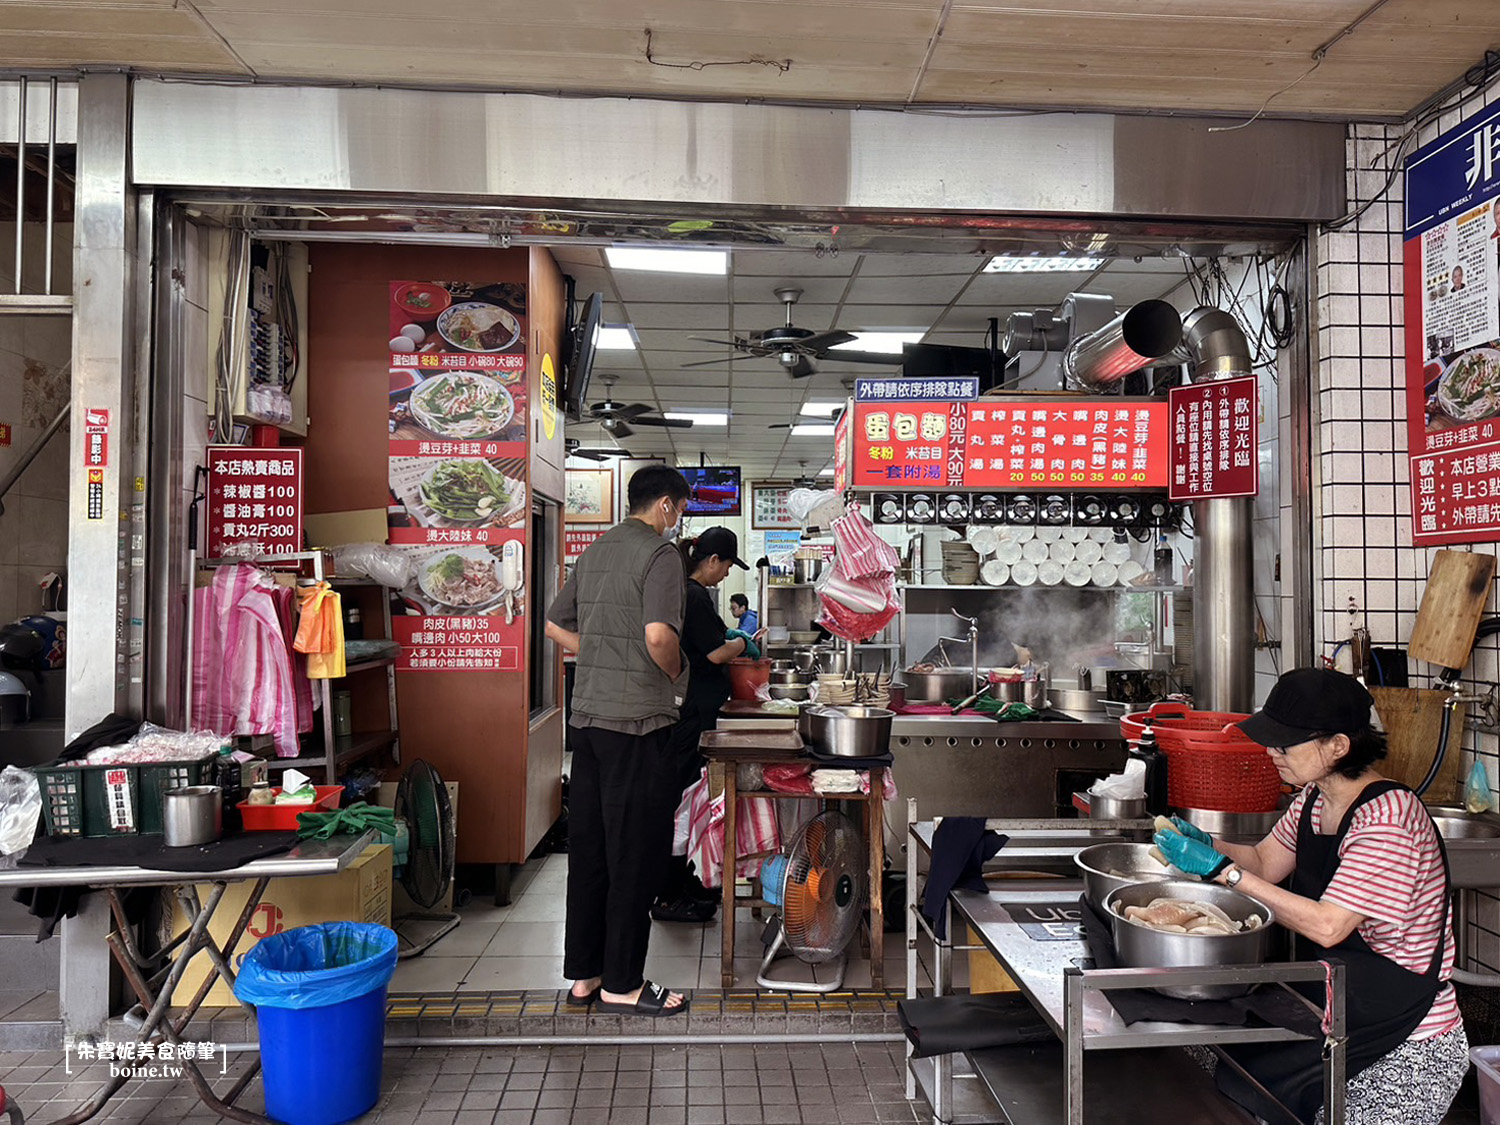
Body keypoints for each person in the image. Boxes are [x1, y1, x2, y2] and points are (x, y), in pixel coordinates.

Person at [1153, 668, 1468, 1125]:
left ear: (1338, 745)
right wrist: (1209, 845)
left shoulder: (1388, 818)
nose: (1271, 751)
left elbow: (1328, 924)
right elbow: (1263, 863)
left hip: (1407, 1042)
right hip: (1336, 1013)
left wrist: (1223, 872)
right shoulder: (1313, 799)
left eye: (1285, 743)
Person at [544, 464, 693, 1018]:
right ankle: (623, 983)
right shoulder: (659, 555)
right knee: (633, 853)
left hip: (587, 724)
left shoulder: (598, 550)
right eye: (681, 509)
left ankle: (586, 976)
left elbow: (555, 626)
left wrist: (604, 656)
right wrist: (674, 679)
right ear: (666, 506)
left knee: (591, 852)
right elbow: (659, 637)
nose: (679, 520)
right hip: (637, 724)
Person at [653, 527, 760, 923]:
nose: (728, 574)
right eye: (728, 565)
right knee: (684, 804)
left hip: (695, 711)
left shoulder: (689, 592)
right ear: (712, 560)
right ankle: (670, 894)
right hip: (693, 713)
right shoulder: (694, 595)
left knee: (690, 801)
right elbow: (715, 654)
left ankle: (690, 886)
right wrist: (741, 641)